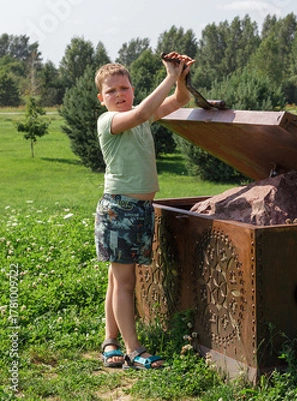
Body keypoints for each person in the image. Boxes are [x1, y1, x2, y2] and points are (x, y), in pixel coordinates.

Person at [94, 52, 194, 370]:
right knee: (125, 284)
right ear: (101, 99)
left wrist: (180, 76)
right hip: (120, 211)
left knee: (116, 281)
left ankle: (110, 342)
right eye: (111, 91)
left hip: (138, 209)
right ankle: (133, 350)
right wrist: (167, 75)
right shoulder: (109, 121)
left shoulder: (141, 114)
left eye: (124, 88)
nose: (119, 94)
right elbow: (139, 116)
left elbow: (180, 99)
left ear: (133, 90)